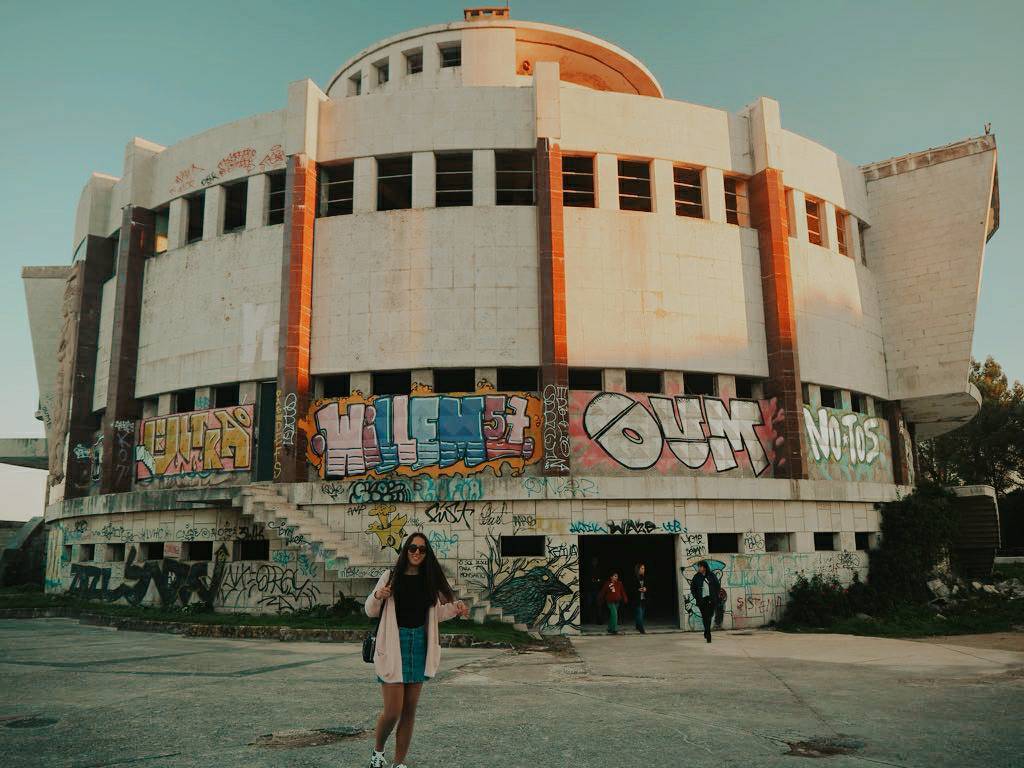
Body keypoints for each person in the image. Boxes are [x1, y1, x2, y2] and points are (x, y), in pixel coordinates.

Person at [365, 532, 469, 768]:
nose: (416, 553)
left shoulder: (429, 581)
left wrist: (455, 609)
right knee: (392, 711)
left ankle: (399, 763)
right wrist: (377, 595)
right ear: (405, 551)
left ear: (427, 553)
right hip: (393, 644)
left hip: (420, 645)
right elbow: (371, 611)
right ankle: (378, 752)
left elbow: (434, 615)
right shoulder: (390, 577)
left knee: (409, 710)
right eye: (412, 548)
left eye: (422, 549)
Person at [689, 560, 720, 643]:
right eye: (699, 567)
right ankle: (708, 633)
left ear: (704, 567)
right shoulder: (696, 577)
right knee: (705, 616)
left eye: (700, 566)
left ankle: (706, 630)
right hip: (702, 600)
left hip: (711, 599)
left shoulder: (712, 575)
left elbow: (717, 586)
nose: (699, 568)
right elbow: (692, 588)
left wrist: (715, 596)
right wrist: (697, 597)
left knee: (709, 616)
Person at [633, 563, 649, 634]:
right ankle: (641, 628)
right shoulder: (634, 578)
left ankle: (637, 625)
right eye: (642, 568)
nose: (643, 570)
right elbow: (630, 588)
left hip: (643, 598)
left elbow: (649, 585)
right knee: (639, 613)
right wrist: (637, 589)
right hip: (637, 598)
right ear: (638, 569)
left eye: (644, 568)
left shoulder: (645, 577)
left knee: (642, 613)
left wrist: (645, 589)